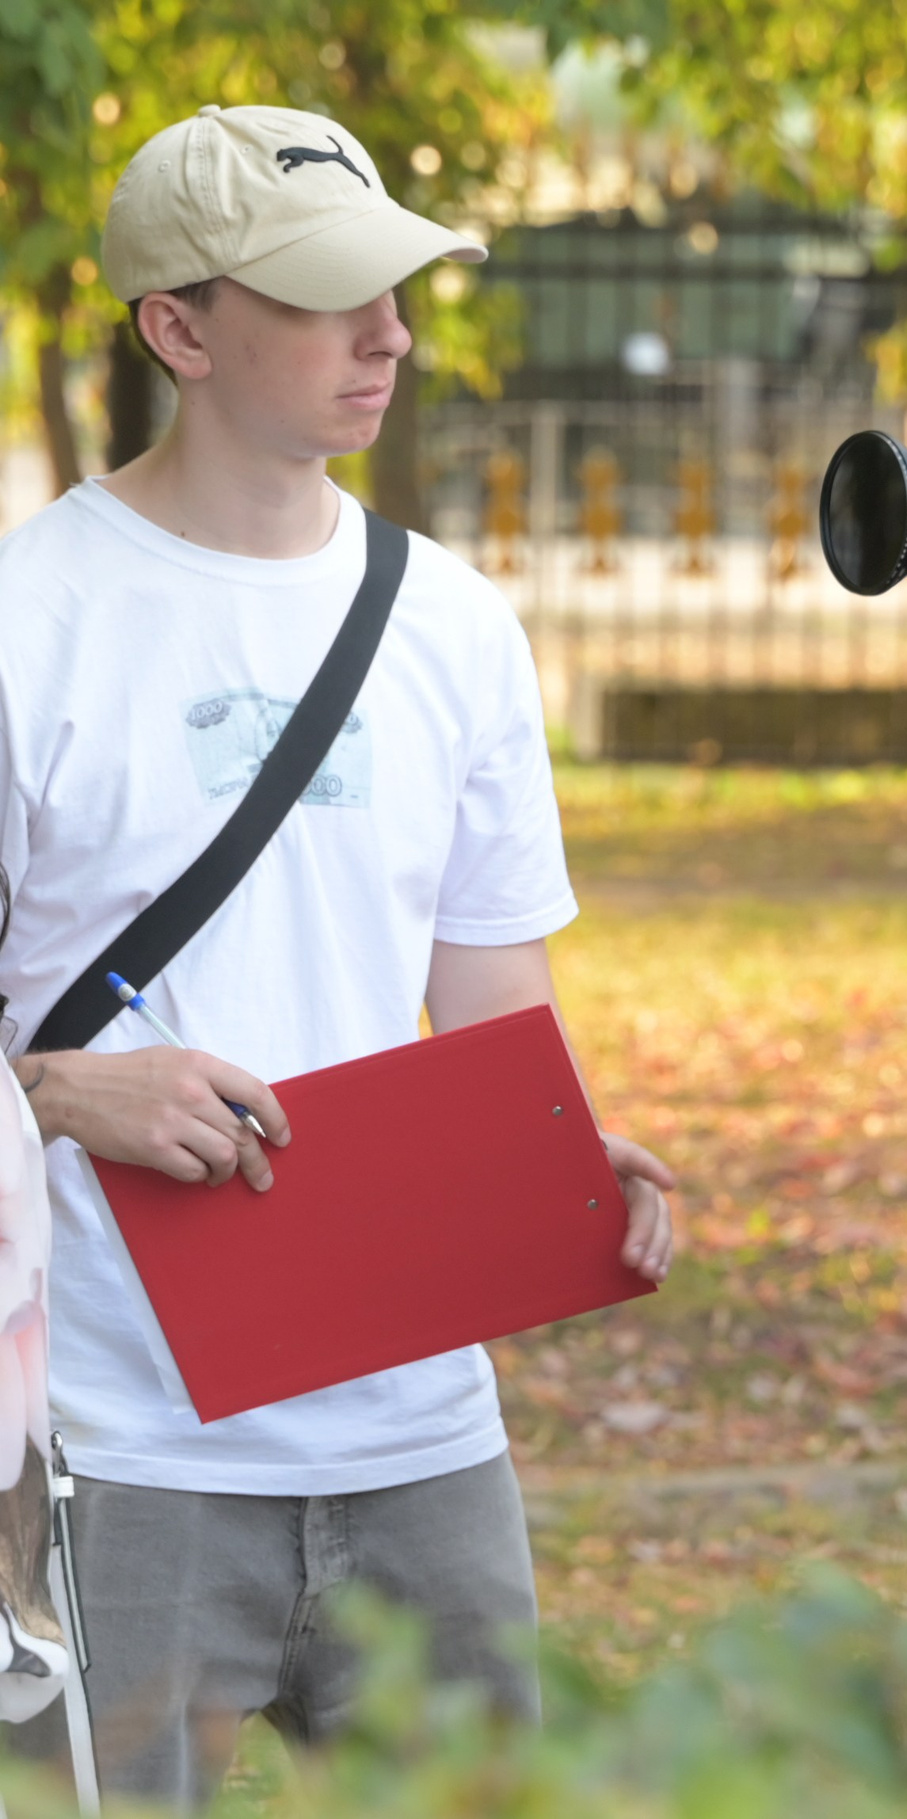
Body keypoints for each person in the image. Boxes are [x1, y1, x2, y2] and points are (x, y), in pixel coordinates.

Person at [0, 105, 676, 1805]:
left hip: (420, 1435)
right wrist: (64, 1092)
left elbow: (490, 1023)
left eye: (399, 287)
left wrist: (557, 1162)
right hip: (110, 1443)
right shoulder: (31, 618)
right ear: (179, 328)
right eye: (328, 296)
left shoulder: (453, 620)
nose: (389, 334)